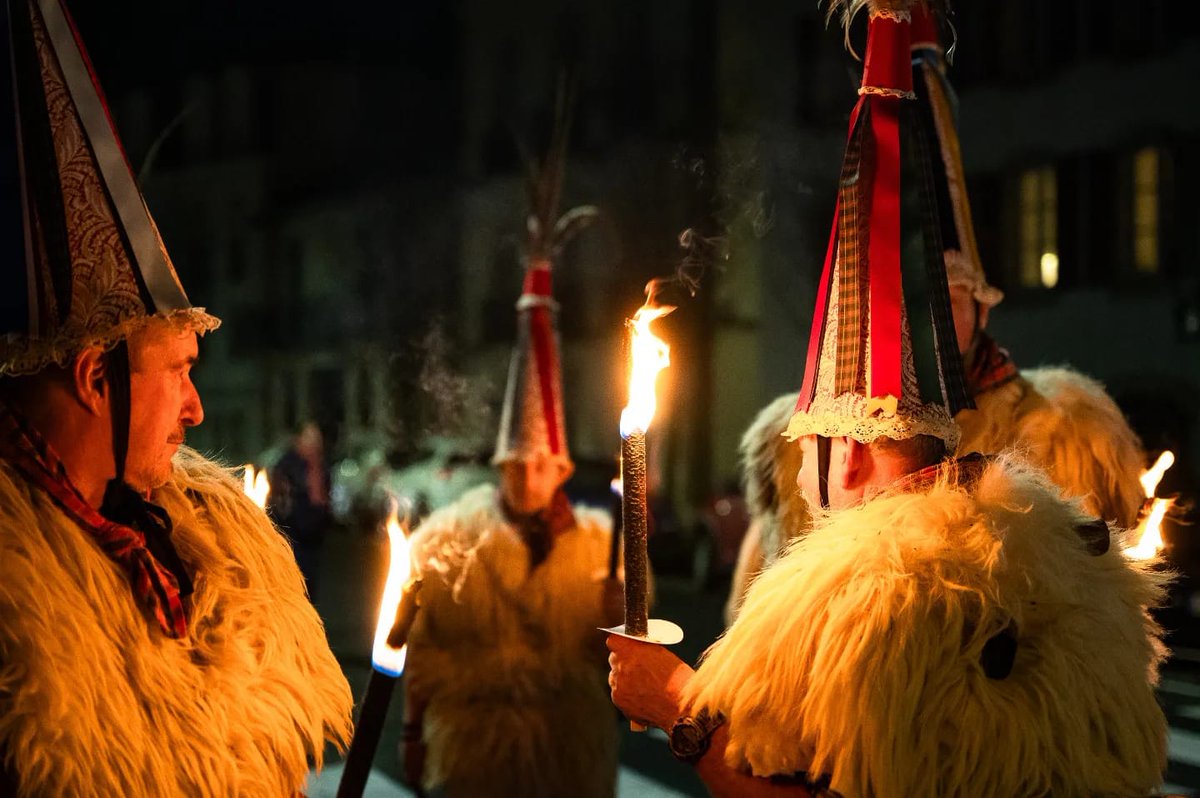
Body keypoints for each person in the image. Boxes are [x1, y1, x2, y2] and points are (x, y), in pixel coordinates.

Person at [609, 4, 1168, 795]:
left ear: (850, 452)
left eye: (810, 453)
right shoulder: (1080, 563)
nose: (808, 489)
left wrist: (675, 704)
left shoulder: (852, 603)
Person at [0, 1, 351, 792]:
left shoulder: (211, 540)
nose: (196, 410)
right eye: (180, 371)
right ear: (94, 378)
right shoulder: (19, 601)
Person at [725, 1, 1146, 623]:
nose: (934, 326)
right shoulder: (805, 443)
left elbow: (1105, 618)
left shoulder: (1066, 432)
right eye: (917, 307)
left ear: (982, 303)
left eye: (949, 301)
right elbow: (759, 612)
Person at [401, 116, 624, 798]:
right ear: (499, 465)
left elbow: (624, 668)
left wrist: (622, 623)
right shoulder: (448, 543)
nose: (530, 476)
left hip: (567, 761)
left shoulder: (601, 547)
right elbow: (420, 651)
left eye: (543, 464)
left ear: (564, 468)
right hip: (479, 761)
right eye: (517, 464)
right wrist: (411, 732)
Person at [269, 420, 333, 596]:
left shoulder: (319, 465)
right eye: (309, 438)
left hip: (313, 537)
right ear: (298, 440)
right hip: (293, 536)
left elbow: (325, 494)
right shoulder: (287, 466)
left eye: (317, 439)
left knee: (310, 585)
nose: (315, 443)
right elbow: (280, 504)